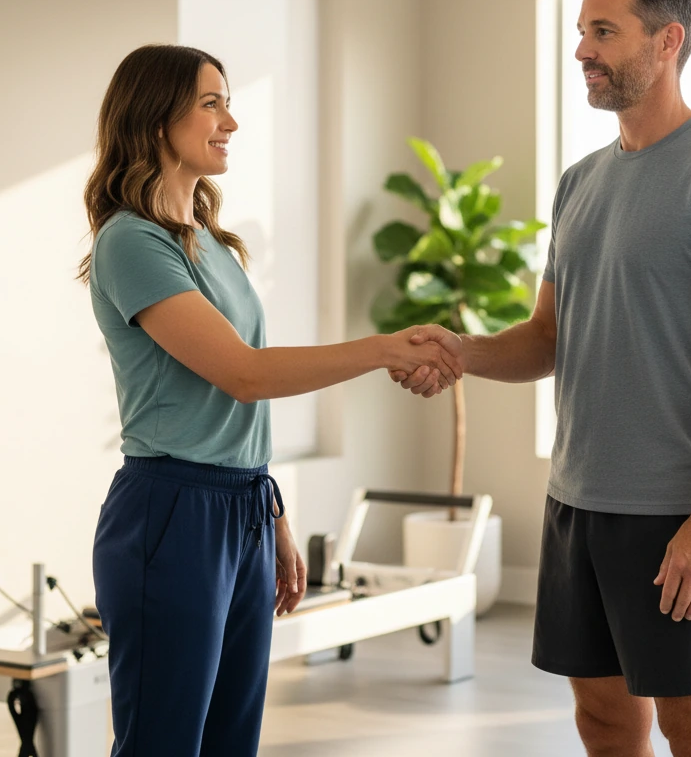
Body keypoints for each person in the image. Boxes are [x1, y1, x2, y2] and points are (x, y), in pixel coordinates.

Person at [394, 0, 691, 757]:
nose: (582, 50)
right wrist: (458, 352)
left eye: (603, 32)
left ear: (667, 41)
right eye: (580, 32)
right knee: (603, 722)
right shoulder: (579, 184)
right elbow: (548, 338)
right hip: (577, 503)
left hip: (678, 512)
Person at [82, 44, 461, 757]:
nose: (232, 120)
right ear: (155, 117)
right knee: (163, 743)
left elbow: (239, 410)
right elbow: (244, 375)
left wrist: (271, 509)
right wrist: (380, 348)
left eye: (228, 100)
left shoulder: (213, 243)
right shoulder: (131, 244)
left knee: (232, 741)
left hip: (242, 506)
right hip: (171, 511)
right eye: (211, 102)